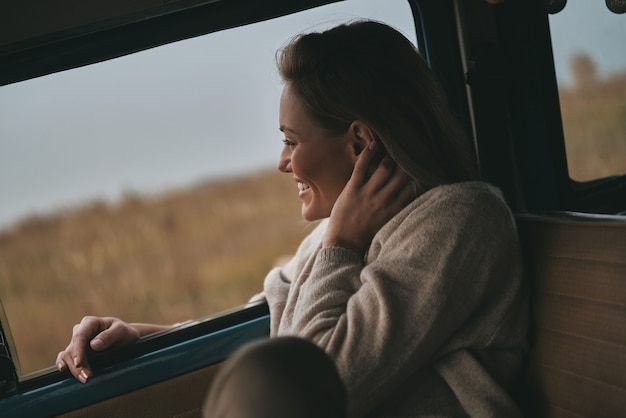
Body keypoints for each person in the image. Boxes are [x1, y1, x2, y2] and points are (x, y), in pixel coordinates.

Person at [56, 20, 528, 417]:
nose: (283, 163)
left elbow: (311, 387)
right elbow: (273, 329)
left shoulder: (461, 221)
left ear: (361, 144)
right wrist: (148, 337)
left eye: (290, 140)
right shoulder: (336, 236)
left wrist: (341, 245)